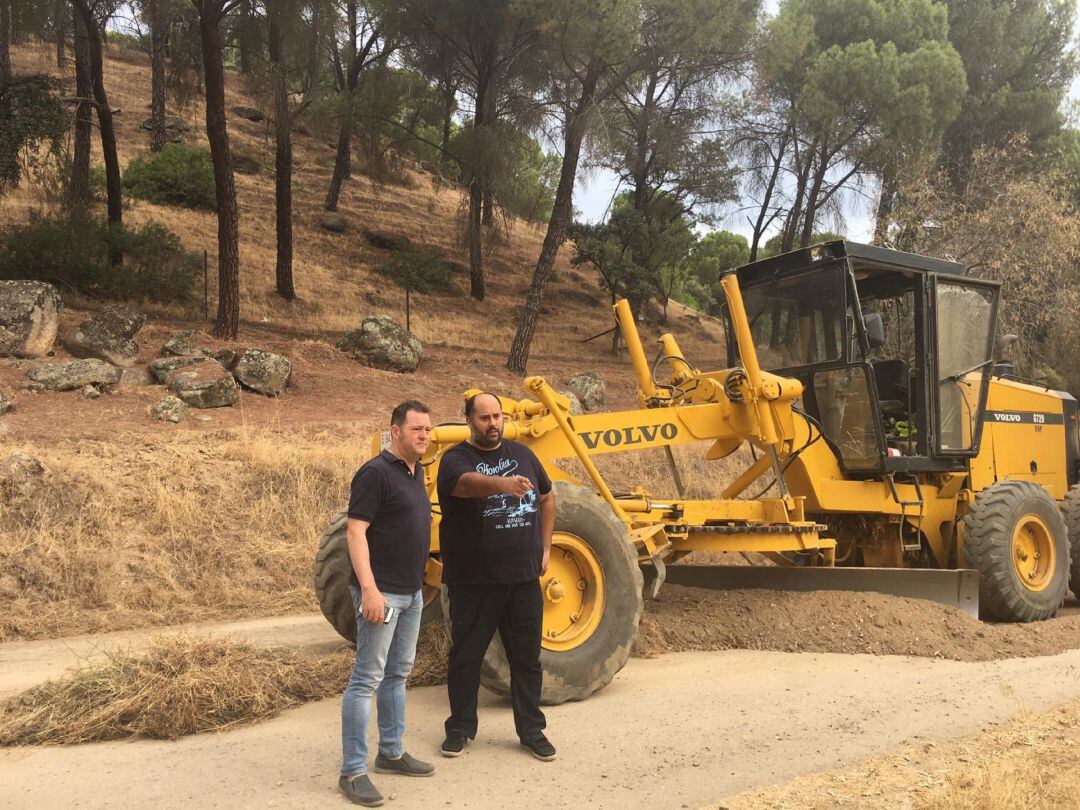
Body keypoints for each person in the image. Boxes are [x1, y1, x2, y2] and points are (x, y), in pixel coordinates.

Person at [436, 392, 557, 761]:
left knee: (526, 659)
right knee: (466, 657)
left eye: (497, 416)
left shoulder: (523, 454)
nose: (493, 424)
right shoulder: (455, 459)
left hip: (522, 579)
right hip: (474, 581)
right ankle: (460, 729)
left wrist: (546, 546)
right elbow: (466, 485)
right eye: (484, 418)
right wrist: (504, 485)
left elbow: (547, 497)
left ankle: (532, 732)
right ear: (469, 420)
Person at [339, 401, 436, 807]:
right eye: (416, 429)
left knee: (398, 674)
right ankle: (353, 771)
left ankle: (391, 753)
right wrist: (370, 591)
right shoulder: (375, 473)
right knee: (367, 679)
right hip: (383, 594)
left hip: (411, 593)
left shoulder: (415, 473)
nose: (425, 436)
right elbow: (355, 532)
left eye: (428, 429)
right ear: (395, 431)